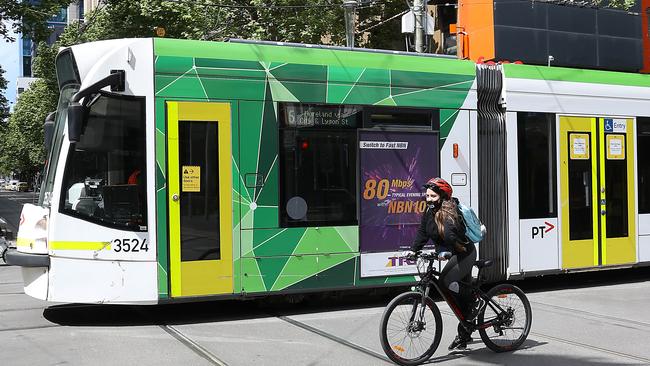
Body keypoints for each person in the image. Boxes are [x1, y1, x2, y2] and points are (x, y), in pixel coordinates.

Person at [410, 177, 478, 351]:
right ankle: (465, 334)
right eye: (427, 195)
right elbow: (423, 232)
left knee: (445, 283)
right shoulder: (429, 211)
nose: (429, 199)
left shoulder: (450, 212)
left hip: (464, 253)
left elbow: (451, 236)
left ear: (442, 196)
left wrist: (444, 250)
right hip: (450, 254)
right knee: (454, 290)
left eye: (433, 196)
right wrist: (414, 250)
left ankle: (473, 300)